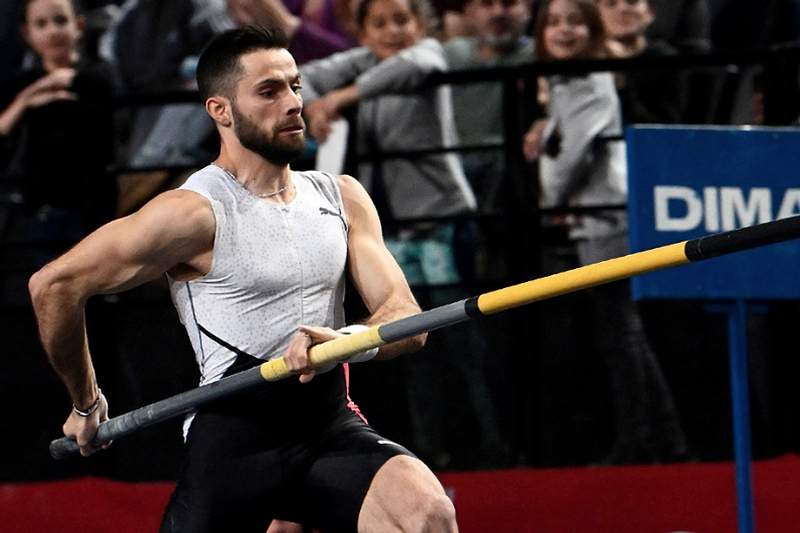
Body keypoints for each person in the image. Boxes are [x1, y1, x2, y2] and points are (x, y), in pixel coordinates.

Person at [29, 26, 458, 532]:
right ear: (221, 111)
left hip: (327, 426)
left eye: (296, 86)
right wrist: (87, 402)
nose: (294, 103)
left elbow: (408, 319)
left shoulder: (341, 197)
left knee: (426, 514)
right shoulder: (195, 213)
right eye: (269, 91)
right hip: (233, 443)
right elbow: (54, 286)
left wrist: (345, 341)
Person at [523, 0, 688, 464]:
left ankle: (650, 438)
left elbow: (572, 157)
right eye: (554, 22)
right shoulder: (564, 84)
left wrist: (550, 198)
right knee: (618, 332)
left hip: (605, 218)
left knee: (622, 332)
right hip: (593, 219)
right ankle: (659, 437)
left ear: (593, 30)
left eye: (575, 21)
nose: (564, 31)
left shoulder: (588, 82)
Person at [0, 0, 116, 271]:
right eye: (41, 24)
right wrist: (27, 98)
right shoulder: (22, 84)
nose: (52, 31)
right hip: (38, 206)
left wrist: (61, 83)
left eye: (60, 21)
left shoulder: (98, 76)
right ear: (27, 33)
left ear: (79, 26)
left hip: (89, 203)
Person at [443, 0, 534, 212]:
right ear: (469, 12)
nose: (498, 12)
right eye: (487, 3)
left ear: (528, 8)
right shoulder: (450, 54)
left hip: (517, 179)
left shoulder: (541, 52)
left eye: (509, 3)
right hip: (457, 175)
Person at [596, 0, 687, 125]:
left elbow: (666, 126)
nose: (623, 9)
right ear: (595, 14)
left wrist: (621, 80)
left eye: (632, 2)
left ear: (650, 12)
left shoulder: (666, 59)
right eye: (611, 3)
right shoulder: (584, 58)